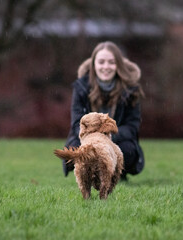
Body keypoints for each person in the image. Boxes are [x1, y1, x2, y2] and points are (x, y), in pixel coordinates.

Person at [62, 41, 145, 180]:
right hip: (86, 139)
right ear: (94, 65)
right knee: (74, 150)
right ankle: (89, 176)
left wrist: (107, 138)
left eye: (111, 62)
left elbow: (131, 127)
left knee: (128, 151)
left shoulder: (131, 90)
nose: (106, 67)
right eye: (101, 62)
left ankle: (117, 174)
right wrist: (94, 140)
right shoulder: (80, 88)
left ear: (118, 64)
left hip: (117, 140)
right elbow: (77, 123)